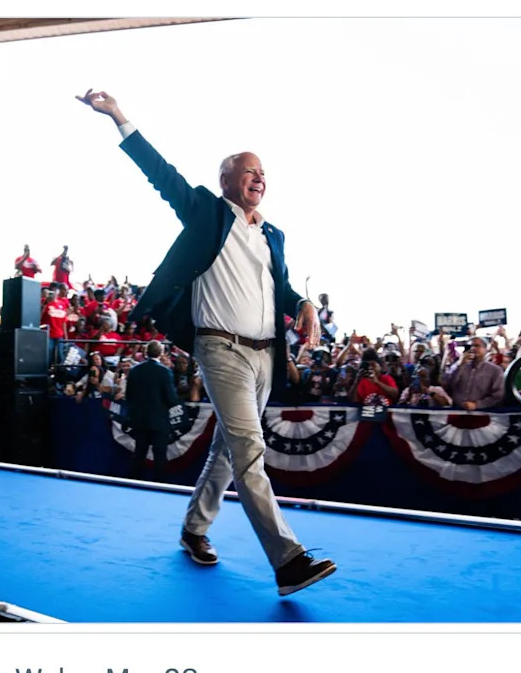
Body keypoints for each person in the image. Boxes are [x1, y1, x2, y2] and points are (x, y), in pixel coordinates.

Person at [77, 88, 334, 596]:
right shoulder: (205, 212)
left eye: (264, 172)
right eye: (249, 170)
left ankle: (195, 529)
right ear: (226, 181)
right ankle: (288, 561)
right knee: (249, 447)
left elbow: (278, 288)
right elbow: (161, 173)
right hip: (220, 350)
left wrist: (302, 304)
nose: (259, 177)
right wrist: (119, 118)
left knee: (225, 450)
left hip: (265, 355)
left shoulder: (273, 236)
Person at [124, 341, 179, 481]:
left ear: (145, 352)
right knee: (159, 458)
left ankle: (133, 485)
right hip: (159, 421)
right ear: (160, 353)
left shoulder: (135, 370)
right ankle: (158, 488)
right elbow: (171, 399)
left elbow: (129, 395)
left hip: (140, 420)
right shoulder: (165, 372)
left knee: (139, 456)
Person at [443, 336, 504, 410]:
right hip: (456, 413)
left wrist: (477, 405)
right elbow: (448, 385)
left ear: (486, 349)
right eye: (470, 346)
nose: (472, 348)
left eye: (477, 346)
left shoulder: (495, 370)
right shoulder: (459, 366)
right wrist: (460, 365)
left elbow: (498, 395)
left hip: (481, 415)